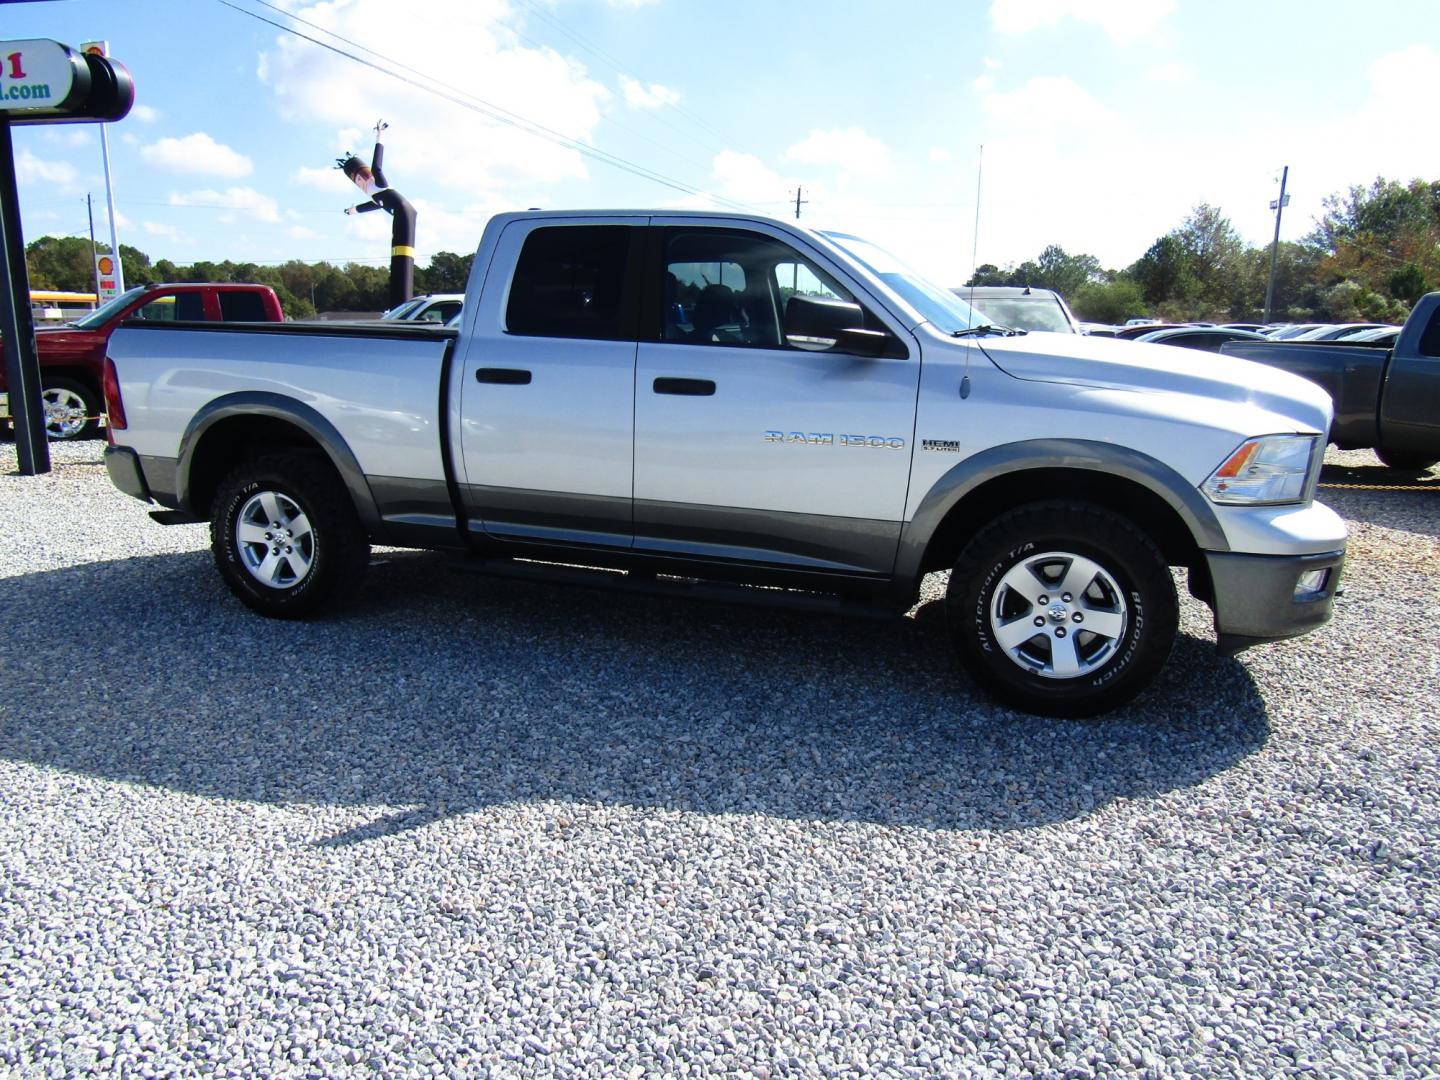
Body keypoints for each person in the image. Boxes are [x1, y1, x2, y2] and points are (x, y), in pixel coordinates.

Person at [337, 120, 417, 308]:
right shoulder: (375, 196)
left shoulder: (379, 184)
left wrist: (380, 135)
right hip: (401, 218)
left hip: (405, 215)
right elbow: (368, 206)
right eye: (356, 181)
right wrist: (352, 211)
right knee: (398, 267)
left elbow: (377, 166)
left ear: (367, 175)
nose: (360, 183)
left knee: (402, 262)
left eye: (360, 178)